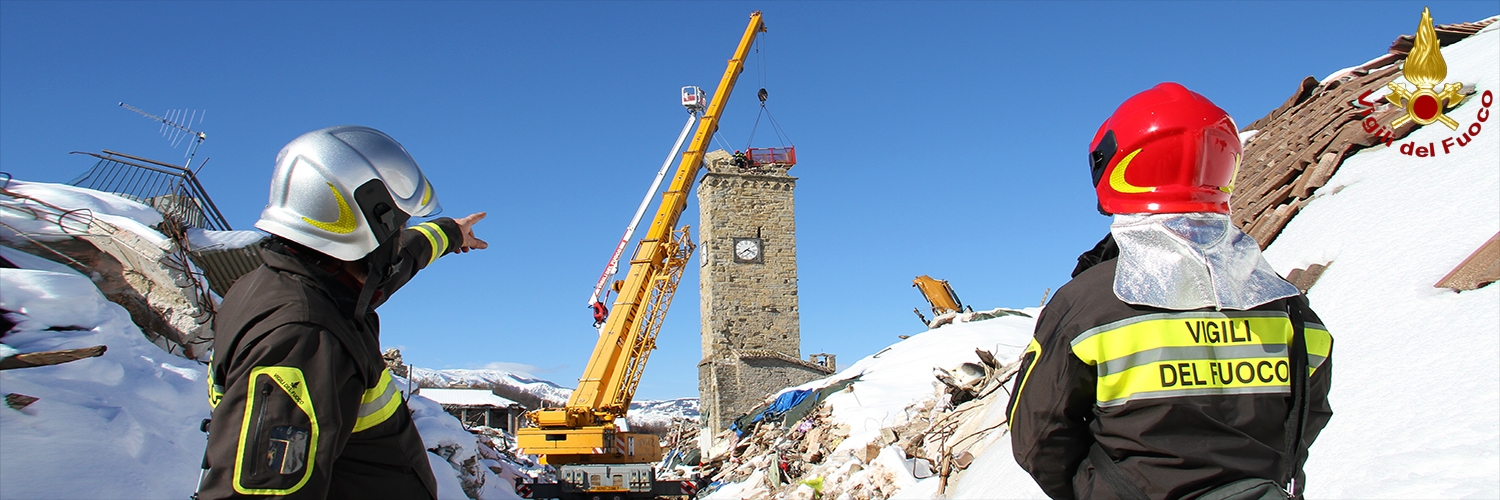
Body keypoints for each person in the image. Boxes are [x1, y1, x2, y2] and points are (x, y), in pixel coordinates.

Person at [1006, 83, 1334, 500]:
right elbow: (1309, 411)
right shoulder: (1286, 303)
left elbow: (1038, 435)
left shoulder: (1085, 304)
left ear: (1116, 165)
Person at [197, 125, 488, 499]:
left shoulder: (302, 285)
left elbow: (394, 266)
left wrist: (448, 233)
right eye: (398, 226)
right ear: (366, 222)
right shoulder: (302, 338)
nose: (401, 237)